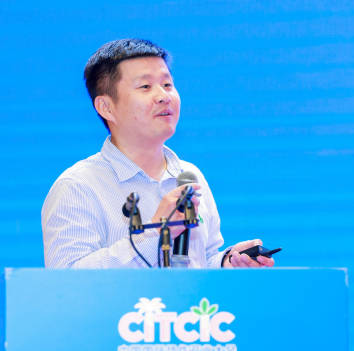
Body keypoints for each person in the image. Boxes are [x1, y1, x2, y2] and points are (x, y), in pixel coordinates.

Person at [41, 38, 274, 269]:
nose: (163, 96)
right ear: (106, 107)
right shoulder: (78, 187)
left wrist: (227, 264)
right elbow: (67, 280)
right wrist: (156, 234)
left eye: (167, 84)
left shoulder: (189, 176)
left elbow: (202, 262)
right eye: (145, 86)